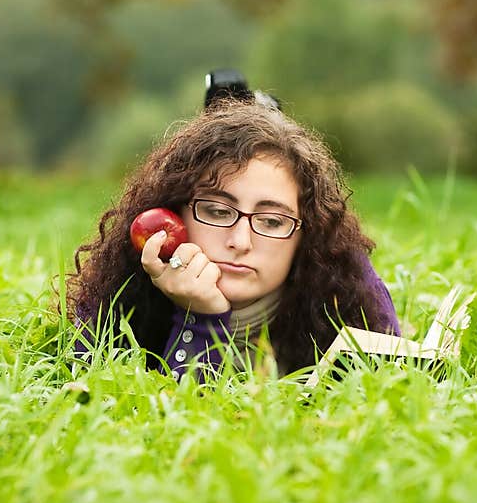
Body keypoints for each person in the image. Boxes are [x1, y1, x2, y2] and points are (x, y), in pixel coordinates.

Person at [66, 83, 400, 382]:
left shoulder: (344, 301)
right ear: (174, 212)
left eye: (272, 221)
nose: (240, 241)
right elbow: (171, 437)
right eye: (217, 211)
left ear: (306, 235)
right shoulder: (119, 306)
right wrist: (198, 320)